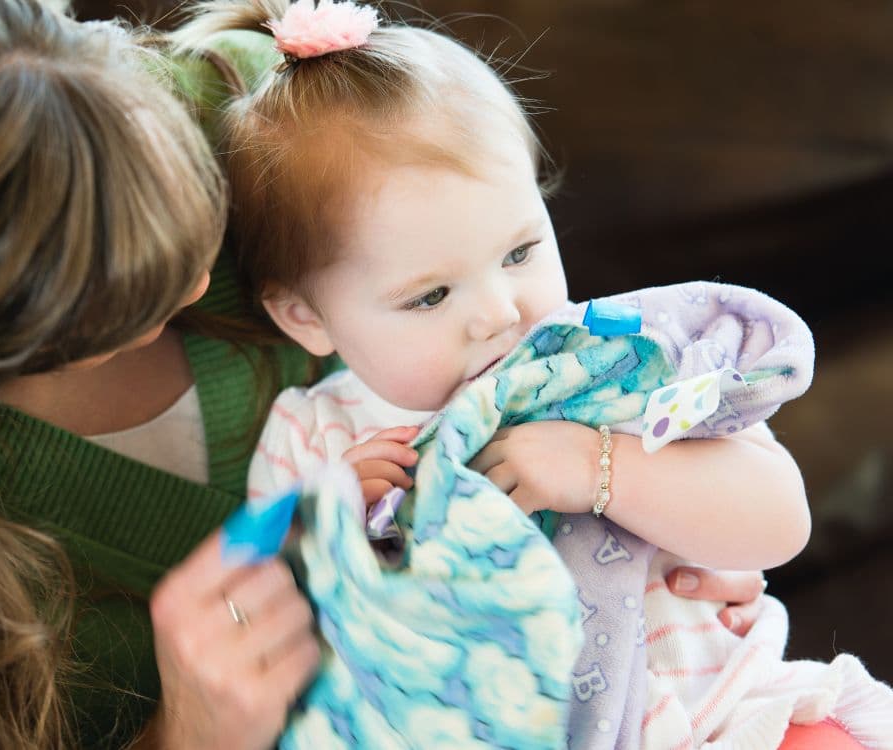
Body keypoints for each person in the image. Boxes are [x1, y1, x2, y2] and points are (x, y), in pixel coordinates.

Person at [0, 0, 774, 747]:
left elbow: (515, 270)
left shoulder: (272, 121)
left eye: (194, 219)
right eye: (106, 304)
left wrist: (639, 495)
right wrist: (188, 737)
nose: (202, 283)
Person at [171, 0, 893, 747]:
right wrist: (334, 534)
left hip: (722, 715)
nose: (498, 312)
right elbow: (275, 650)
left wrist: (602, 467)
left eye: (519, 253)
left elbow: (782, 519)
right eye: (431, 295)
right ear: (306, 319)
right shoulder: (314, 442)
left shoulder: (610, 362)